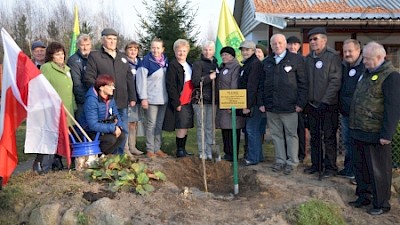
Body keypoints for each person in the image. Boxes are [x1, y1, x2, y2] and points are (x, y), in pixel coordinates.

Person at [348, 41, 400, 215]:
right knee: (360, 167)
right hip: (359, 130)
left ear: (379, 58)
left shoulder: (391, 76)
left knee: (379, 171)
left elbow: (393, 107)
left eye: (368, 59)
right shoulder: (366, 73)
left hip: (376, 133)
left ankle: (381, 204)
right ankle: (364, 196)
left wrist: (387, 134)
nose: (364, 62)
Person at [84, 28, 137, 155]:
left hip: (122, 101)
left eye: (114, 39)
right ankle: (107, 156)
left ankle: (120, 157)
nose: (112, 42)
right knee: (108, 132)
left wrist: (133, 97)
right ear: (103, 40)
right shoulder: (95, 56)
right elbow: (89, 77)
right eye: (109, 39)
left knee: (122, 130)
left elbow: (129, 78)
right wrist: (100, 93)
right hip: (104, 103)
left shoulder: (123, 57)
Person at [263, 34, 307, 175]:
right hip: (272, 107)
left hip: (290, 106)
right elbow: (261, 84)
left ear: (285, 44)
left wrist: (300, 103)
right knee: (276, 135)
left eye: (280, 43)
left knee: (291, 134)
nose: (277, 45)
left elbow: (303, 83)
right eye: (274, 43)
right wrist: (262, 102)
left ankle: (292, 161)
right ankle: (280, 160)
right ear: (271, 45)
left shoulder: (297, 59)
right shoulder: (267, 61)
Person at [303, 27, 342, 178]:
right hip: (312, 105)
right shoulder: (308, 58)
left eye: (316, 39)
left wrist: (325, 102)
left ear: (324, 40)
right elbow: (305, 81)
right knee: (315, 136)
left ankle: (330, 167)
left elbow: (335, 81)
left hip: (328, 105)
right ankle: (316, 164)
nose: (313, 42)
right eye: (310, 39)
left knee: (329, 137)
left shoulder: (333, 57)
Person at [34, 41, 76, 173]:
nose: (61, 56)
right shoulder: (47, 68)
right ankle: (45, 168)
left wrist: (73, 106)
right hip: (54, 110)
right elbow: (43, 90)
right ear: (51, 56)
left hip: (68, 109)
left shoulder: (67, 69)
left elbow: (70, 90)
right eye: (57, 54)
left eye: (62, 54)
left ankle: (66, 164)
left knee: (67, 138)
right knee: (52, 139)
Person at [136, 38, 168, 158]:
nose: (155, 50)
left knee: (159, 125)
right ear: (150, 48)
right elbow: (141, 81)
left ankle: (157, 148)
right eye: (153, 47)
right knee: (151, 124)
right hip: (151, 98)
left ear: (162, 49)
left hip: (163, 98)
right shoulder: (146, 62)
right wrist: (143, 97)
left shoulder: (165, 61)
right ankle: (150, 149)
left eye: (158, 48)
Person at [337, 39, 364, 180]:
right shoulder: (344, 66)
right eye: (345, 51)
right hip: (346, 113)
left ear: (358, 51)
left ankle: (357, 173)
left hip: (359, 115)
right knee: (347, 142)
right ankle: (349, 169)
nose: (347, 54)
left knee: (357, 144)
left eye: (350, 51)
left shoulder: (364, 67)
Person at [79, 74, 126, 154]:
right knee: (111, 139)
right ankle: (99, 156)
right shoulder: (91, 100)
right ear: (101, 87)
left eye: (113, 86)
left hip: (103, 128)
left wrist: (119, 126)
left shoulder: (110, 98)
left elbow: (116, 114)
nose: (113, 88)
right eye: (110, 86)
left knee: (122, 136)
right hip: (88, 131)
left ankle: (105, 156)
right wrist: (113, 128)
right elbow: (92, 125)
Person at [163, 39, 194, 157]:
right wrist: (176, 102)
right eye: (179, 51)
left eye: (184, 51)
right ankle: (179, 149)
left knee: (186, 124)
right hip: (181, 99)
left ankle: (184, 148)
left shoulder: (189, 65)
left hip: (190, 99)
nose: (181, 53)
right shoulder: (173, 65)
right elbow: (171, 85)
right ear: (175, 52)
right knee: (181, 124)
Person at [216, 46, 245, 161]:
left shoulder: (235, 68)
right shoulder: (223, 68)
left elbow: (234, 86)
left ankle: (233, 154)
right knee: (225, 129)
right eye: (222, 55)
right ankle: (227, 153)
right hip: (223, 104)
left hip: (230, 103)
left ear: (232, 56)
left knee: (233, 129)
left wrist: (231, 103)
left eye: (226, 55)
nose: (224, 57)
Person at [238, 40, 264, 166]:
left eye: (247, 50)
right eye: (243, 50)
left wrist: (247, 105)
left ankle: (253, 158)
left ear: (253, 51)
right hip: (251, 102)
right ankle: (257, 156)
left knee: (251, 130)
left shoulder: (254, 64)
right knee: (253, 130)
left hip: (253, 104)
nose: (245, 52)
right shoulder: (247, 64)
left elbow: (252, 86)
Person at [191, 40, 218, 159]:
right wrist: (209, 77)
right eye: (205, 50)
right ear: (202, 51)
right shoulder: (198, 64)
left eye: (210, 50)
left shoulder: (216, 64)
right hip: (201, 99)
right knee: (201, 127)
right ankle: (203, 151)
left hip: (213, 100)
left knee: (210, 128)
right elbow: (196, 81)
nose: (208, 52)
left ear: (214, 51)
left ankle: (211, 152)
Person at [287, 35, 307, 163]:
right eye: (290, 44)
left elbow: (304, 83)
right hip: (287, 102)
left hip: (299, 102)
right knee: (288, 130)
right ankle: (290, 153)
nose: (293, 46)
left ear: (299, 46)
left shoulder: (302, 60)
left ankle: (301, 153)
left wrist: (301, 102)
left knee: (300, 129)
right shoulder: (284, 59)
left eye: (295, 44)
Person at [123, 41, 144, 157]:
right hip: (128, 97)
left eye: (135, 49)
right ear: (126, 50)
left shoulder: (140, 63)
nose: (133, 51)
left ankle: (133, 146)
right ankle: (125, 148)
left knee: (134, 122)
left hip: (138, 97)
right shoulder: (124, 63)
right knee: (127, 122)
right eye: (130, 49)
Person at [67, 33, 92, 119]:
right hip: (82, 101)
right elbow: (76, 83)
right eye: (82, 45)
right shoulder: (73, 60)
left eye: (87, 45)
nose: (85, 48)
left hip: (94, 99)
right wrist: (85, 100)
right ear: (78, 45)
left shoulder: (95, 57)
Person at [255, 44, 268, 161]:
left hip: (264, 104)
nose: (257, 54)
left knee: (260, 130)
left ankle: (259, 154)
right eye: (255, 52)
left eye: (259, 52)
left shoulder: (266, 66)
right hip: (254, 104)